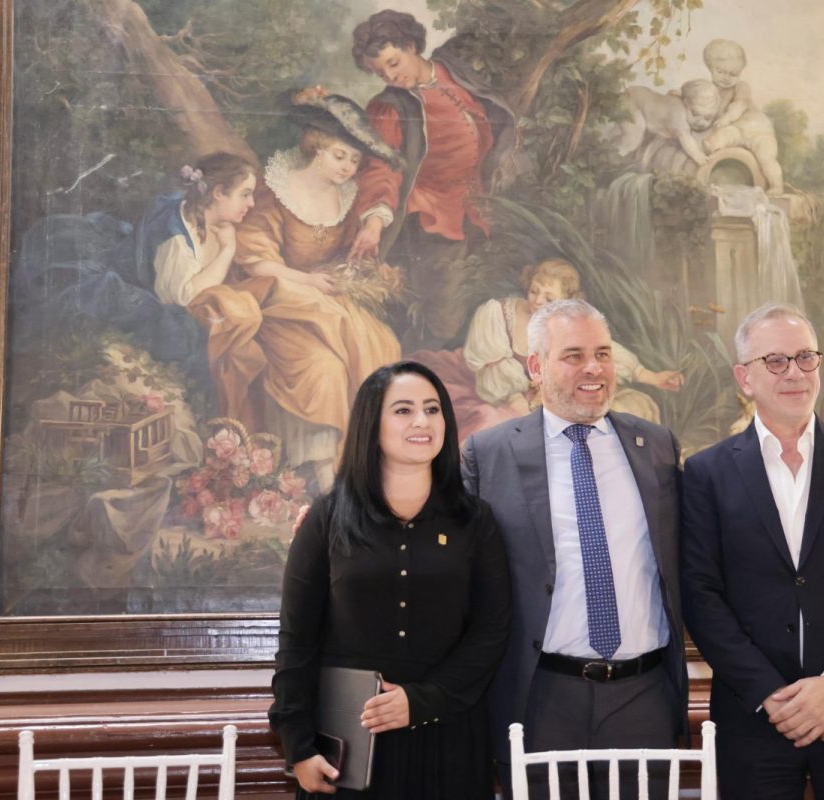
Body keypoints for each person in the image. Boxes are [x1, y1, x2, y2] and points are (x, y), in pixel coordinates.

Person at [680, 302, 824, 799]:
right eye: (775, 361)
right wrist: (771, 694)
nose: (794, 372)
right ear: (744, 378)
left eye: (805, 357)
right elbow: (701, 597)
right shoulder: (707, 473)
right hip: (753, 720)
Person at [461, 299, 687, 799]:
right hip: (541, 700)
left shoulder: (657, 447)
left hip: (643, 698)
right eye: (573, 355)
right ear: (535, 366)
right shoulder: (489, 454)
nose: (594, 368)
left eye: (603, 353)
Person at [270, 360, 512, 799]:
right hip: (347, 746)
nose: (422, 421)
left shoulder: (475, 521)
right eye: (403, 410)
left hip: (448, 737)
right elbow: (296, 640)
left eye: (432, 409)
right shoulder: (327, 518)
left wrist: (421, 701)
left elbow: (491, 632)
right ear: (371, 425)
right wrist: (298, 746)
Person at [188, 89, 403, 491]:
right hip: (275, 300)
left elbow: (350, 249)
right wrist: (308, 282)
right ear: (316, 147)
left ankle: (363, 462)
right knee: (322, 369)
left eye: (354, 161)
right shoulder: (275, 191)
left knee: (382, 344)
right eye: (339, 156)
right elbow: (256, 262)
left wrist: (360, 272)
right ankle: (325, 475)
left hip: (321, 302)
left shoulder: (347, 198)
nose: (347, 167)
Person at [346, 9, 517, 350]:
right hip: (432, 217)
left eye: (393, 63)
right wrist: (374, 222)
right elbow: (381, 166)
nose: (390, 76)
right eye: (379, 72)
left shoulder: (456, 72)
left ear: (411, 46)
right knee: (443, 318)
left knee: (486, 300)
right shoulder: (389, 107)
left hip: (479, 208)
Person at [413, 258, 685, 442]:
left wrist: (652, 377)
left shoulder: (569, 322)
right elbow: (492, 372)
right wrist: (519, 401)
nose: (537, 300)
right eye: (534, 291)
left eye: (549, 298)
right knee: (496, 427)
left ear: (566, 301)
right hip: (495, 392)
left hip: (542, 397)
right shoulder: (497, 314)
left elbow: (606, 352)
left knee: (628, 409)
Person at [151, 152, 257, 308]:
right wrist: (228, 249)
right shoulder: (177, 234)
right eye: (245, 195)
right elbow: (185, 298)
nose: (252, 203)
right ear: (218, 193)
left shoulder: (222, 227)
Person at [699, 39, 784, 195]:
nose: (726, 77)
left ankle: (776, 185)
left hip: (759, 131)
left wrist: (727, 118)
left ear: (740, 72)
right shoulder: (709, 90)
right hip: (737, 131)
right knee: (726, 133)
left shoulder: (741, 86)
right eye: (720, 72)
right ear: (710, 68)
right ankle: (710, 145)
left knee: (766, 158)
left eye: (733, 74)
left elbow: (739, 106)